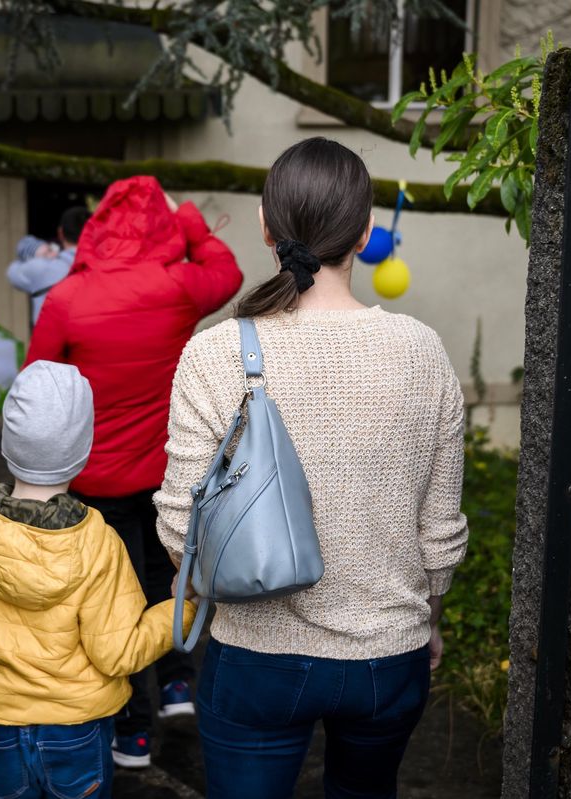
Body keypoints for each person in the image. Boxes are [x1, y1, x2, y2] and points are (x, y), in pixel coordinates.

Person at [154, 138, 468, 799]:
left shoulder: (213, 355)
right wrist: (428, 619)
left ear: (266, 228)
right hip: (390, 656)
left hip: (255, 660)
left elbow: (182, 534)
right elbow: (439, 534)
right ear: (365, 232)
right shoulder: (423, 353)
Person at [24, 175, 242, 767]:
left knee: (107, 600)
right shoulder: (180, 285)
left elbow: (37, 381)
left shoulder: (69, 297)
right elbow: (229, 271)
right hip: (169, 474)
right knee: (165, 576)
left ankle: (132, 731)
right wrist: (188, 216)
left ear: (96, 229)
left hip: (95, 480)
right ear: (160, 226)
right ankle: (176, 683)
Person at [0, 361, 196, 799]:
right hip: (76, 731)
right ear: (83, 449)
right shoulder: (99, 542)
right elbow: (118, 652)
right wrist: (182, 607)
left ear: (8, 443)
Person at [7, 206, 91, 328]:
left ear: (60, 233)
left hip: (51, 343)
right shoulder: (109, 267)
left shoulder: (41, 267)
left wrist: (38, 253)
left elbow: (12, 272)